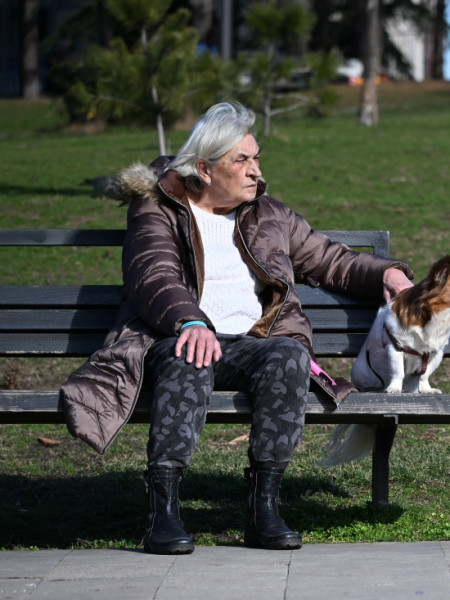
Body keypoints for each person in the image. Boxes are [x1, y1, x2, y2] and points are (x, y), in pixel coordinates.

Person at [59, 101, 413, 555]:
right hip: (175, 337)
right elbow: (154, 273)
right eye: (241, 160)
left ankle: (264, 508)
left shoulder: (269, 215)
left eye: (256, 157)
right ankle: (163, 510)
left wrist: (388, 274)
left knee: (288, 355)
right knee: (192, 354)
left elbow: (330, 259)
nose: (255, 171)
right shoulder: (157, 209)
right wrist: (190, 320)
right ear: (204, 169)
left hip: (252, 346)